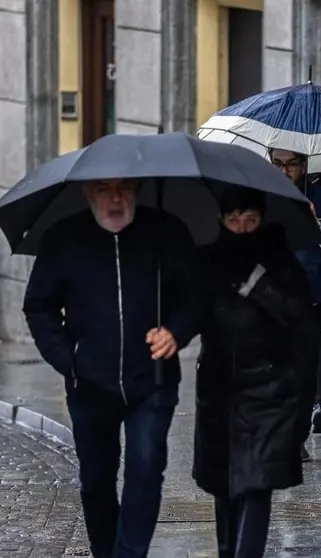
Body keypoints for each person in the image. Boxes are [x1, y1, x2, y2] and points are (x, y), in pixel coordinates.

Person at [24, 178, 205, 558]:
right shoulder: (64, 238)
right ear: (89, 193)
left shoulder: (167, 232)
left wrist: (176, 331)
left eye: (124, 187)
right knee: (96, 478)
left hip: (152, 379)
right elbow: (39, 305)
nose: (116, 197)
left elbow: (196, 294)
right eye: (105, 188)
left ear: (138, 190)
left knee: (145, 467)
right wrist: (67, 358)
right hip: (89, 382)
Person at [192, 187, 314, 558]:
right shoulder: (207, 262)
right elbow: (191, 313)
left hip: (270, 389)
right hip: (218, 391)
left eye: (250, 220)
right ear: (221, 221)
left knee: (256, 483)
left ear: (262, 220)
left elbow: (300, 317)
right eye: (234, 220)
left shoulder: (281, 261)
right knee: (225, 485)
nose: (242, 229)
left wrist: (259, 285)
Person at [269, 149, 321, 445]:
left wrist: (316, 222)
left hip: (313, 296)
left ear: (303, 165)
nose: (284, 170)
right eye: (277, 163)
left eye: (291, 164)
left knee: (305, 369)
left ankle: (298, 436)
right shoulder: (260, 194)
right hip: (271, 300)